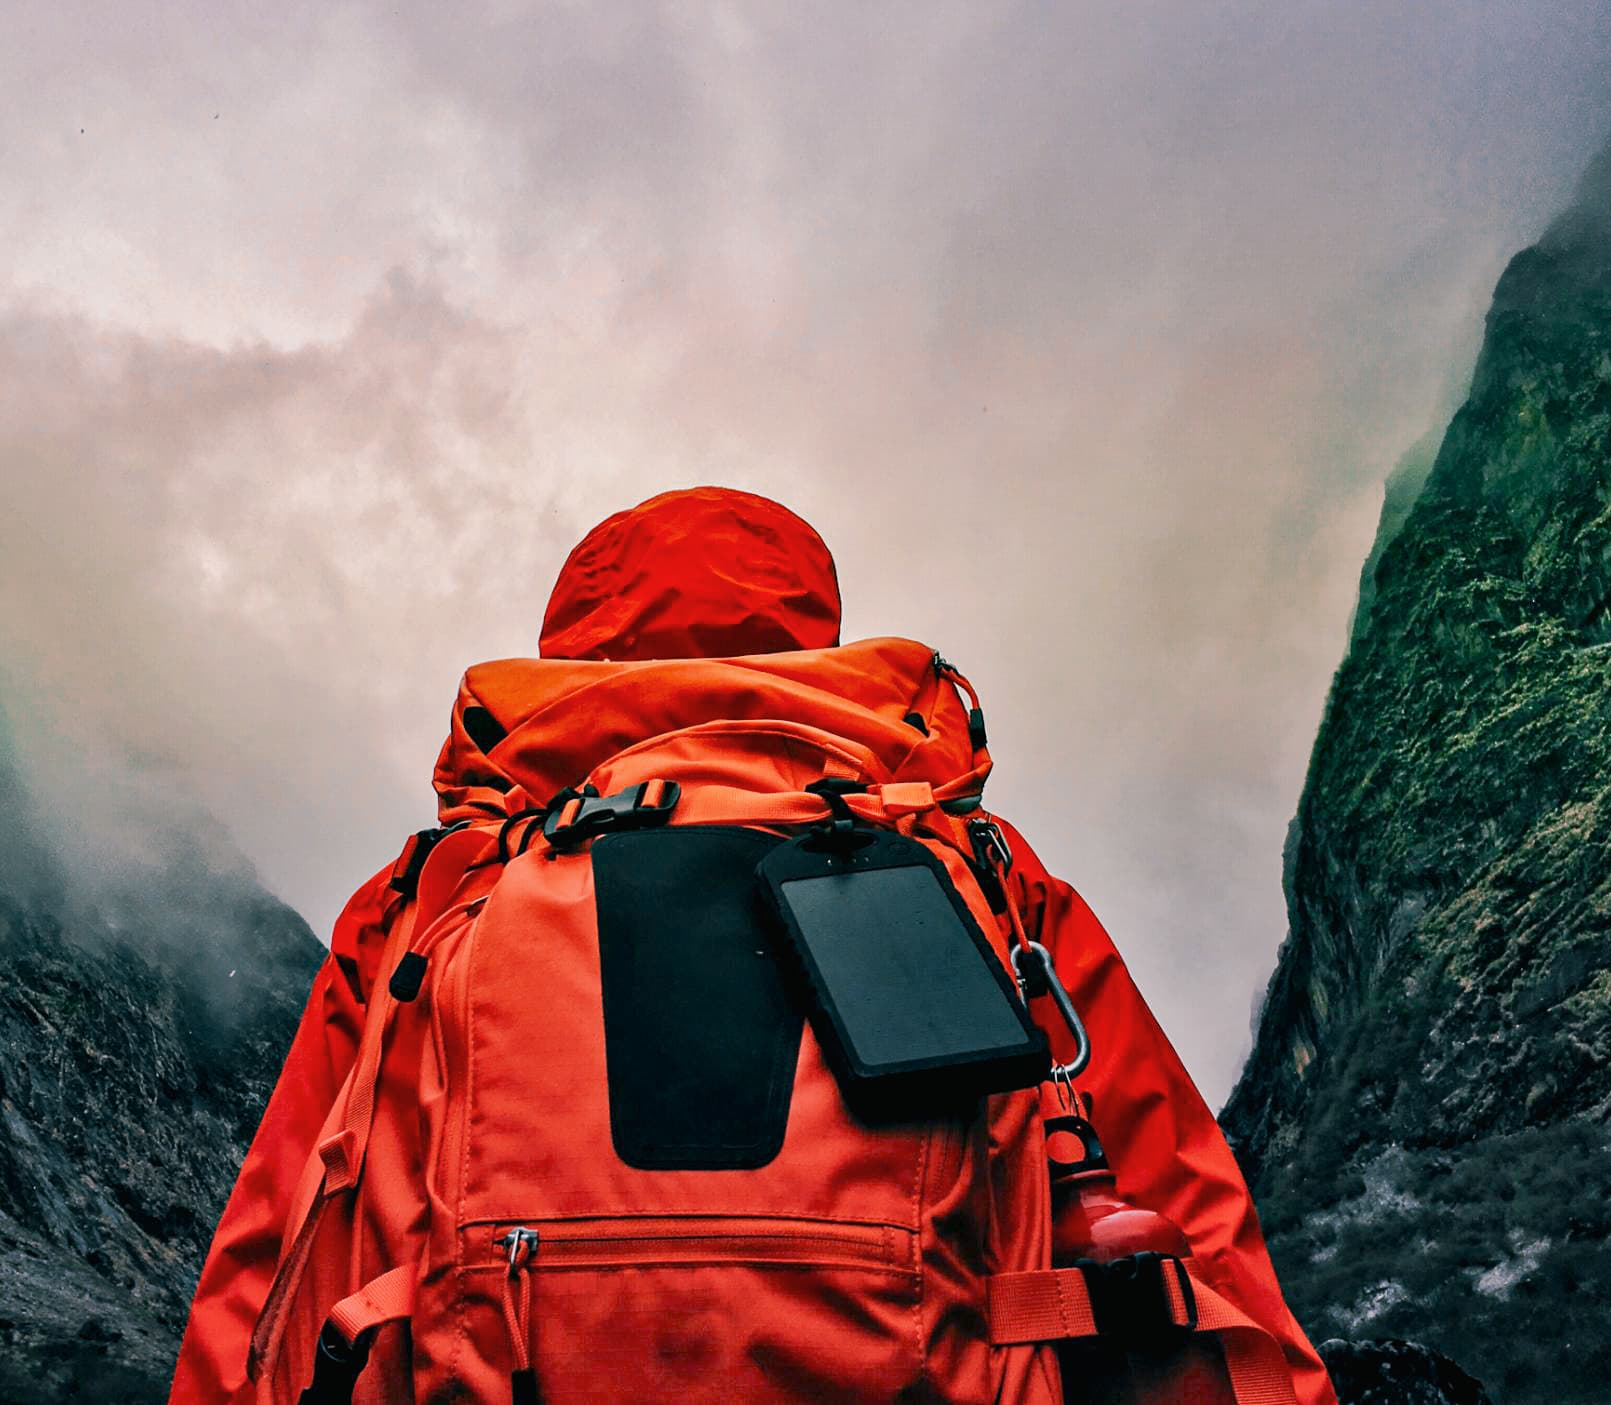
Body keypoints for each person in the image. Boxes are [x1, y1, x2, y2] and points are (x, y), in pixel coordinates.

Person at [170, 486, 1332, 1405]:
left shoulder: (443, 883)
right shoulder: (975, 863)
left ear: (570, 651)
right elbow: (1184, 1213)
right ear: (808, 632)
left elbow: (280, 1251)